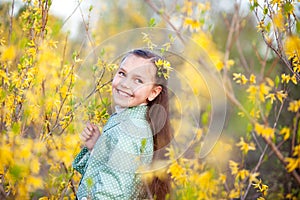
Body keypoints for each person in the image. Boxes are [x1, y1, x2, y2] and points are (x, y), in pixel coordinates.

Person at [73, 49, 172, 199]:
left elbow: (110, 193)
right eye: (122, 74)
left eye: (138, 80)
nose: (125, 84)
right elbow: (113, 174)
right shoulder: (130, 122)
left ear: (153, 92)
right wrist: (98, 147)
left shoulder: (130, 130)